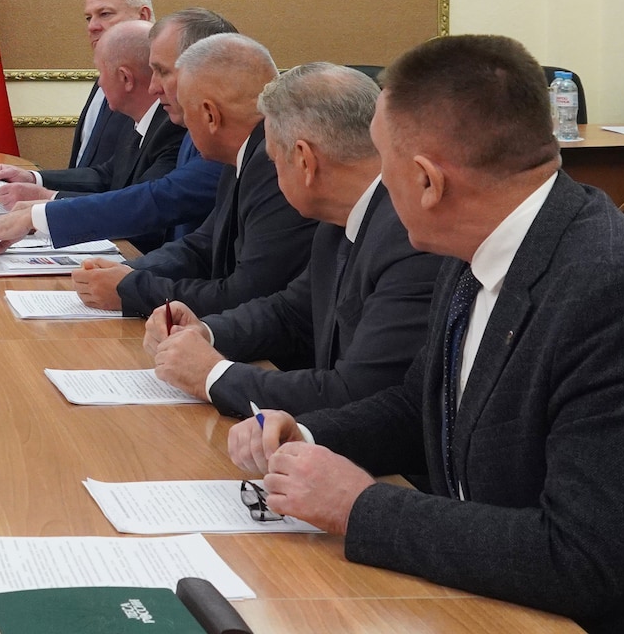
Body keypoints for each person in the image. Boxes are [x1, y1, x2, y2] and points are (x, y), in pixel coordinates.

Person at [230, 35, 624, 634]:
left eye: (382, 165)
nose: (377, 185)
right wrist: (311, 434)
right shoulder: (480, 241)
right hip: (495, 596)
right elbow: (422, 405)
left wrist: (357, 507)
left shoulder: (621, 292)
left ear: (428, 183)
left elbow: (582, 556)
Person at [143, 63, 440, 416]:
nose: (273, 172)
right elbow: (290, 313)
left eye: (273, 160)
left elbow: (356, 393)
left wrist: (211, 374)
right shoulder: (339, 219)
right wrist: (204, 331)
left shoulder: (408, 241)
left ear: (304, 160)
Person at [71, 32, 315, 318]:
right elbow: (202, 246)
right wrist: (127, 272)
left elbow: (245, 295)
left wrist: (131, 289)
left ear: (210, 116)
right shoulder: (242, 154)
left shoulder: (273, 166)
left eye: (186, 112)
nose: (183, 126)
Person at [0, 8, 232, 253]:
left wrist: (42, 213)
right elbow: (193, 249)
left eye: (162, 72)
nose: (153, 87)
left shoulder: (221, 144)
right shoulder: (189, 132)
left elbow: (157, 201)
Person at [0, 0, 151, 193]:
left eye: (105, 14)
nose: (92, 26)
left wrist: (49, 200)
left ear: (142, 16)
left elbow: (132, 189)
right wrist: (33, 178)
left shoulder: (152, 87)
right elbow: (100, 171)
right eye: (88, 18)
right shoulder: (105, 75)